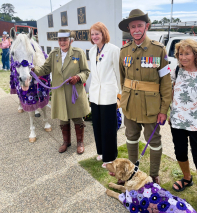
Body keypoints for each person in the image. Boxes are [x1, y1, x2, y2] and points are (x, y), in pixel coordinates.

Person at [118, 9, 172, 184]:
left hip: (151, 107)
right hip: (130, 104)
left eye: (140, 25)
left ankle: (154, 174)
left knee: (154, 141)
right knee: (131, 138)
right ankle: (132, 174)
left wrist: (164, 109)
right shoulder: (124, 50)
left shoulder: (159, 50)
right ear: (129, 29)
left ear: (146, 26)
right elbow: (123, 78)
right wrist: (123, 99)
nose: (136, 29)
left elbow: (166, 82)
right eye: (133, 27)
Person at [170, 39, 197, 213]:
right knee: (180, 152)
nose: (183, 57)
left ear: (196, 54)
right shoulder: (178, 70)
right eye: (180, 53)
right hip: (178, 121)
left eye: (187, 53)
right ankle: (187, 178)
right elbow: (173, 92)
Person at [32, 29, 90, 154]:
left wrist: (78, 77)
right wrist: (33, 69)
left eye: (65, 40)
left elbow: (86, 71)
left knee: (77, 118)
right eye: (60, 40)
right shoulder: (54, 54)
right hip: (60, 93)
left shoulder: (78, 53)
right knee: (63, 119)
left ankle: (80, 142)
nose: (62, 42)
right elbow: (45, 68)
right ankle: (66, 142)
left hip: (74, 93)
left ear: (70, 40)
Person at [89, 22, 121, 168]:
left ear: (103, 34)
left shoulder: (113, 50)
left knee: (108, 127)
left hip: (109, 94)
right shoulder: (91, 51)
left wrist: (120, 95)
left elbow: (119, 74)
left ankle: (110, 157)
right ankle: (101, 152)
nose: (94, 36)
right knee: (97, 125)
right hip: (95, 95)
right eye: (92, 34)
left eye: (97, 33)